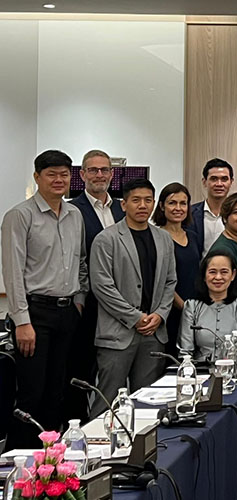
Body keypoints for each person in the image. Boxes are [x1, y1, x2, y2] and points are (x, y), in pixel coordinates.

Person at [1, 150, 88, 449]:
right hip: (34, 315)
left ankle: (50, 461)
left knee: (57, 392)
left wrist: (78, 301)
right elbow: (13, 274)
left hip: (66, 312)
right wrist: (22, 321)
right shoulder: (19, 216)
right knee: (31, 393)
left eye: (64, 174)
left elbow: (79, 261)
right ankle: (16, 461)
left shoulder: (74, 214)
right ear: (37, 177)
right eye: (51, 174)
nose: (59, 179)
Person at [90, 178, 177, 415]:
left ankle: (143, 450)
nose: (143, 205)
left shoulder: (163, 239)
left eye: (148, 200)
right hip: (118, 334)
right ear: (124, 204)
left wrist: (160, 314)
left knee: (148, 402)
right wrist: (135, 317)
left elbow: (170, 281)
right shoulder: (106, 239)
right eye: (136, 200)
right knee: (107, 402)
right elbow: (102, 286)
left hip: (153, 333)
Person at [67, 149, 124, 421]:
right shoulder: (71, 209)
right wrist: (79, 299)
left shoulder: (121, 208)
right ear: (82, 174)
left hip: (121, 305)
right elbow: (73, 257)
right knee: (81, 370)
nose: (99, 175)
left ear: (112, 174)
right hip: (87, 303)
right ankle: (77, 428)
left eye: (104, 170)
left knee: (114, 373)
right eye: (93, 170)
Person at [153, 182, 202, 357]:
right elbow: (162, 280)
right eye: (172, 203)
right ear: (161, 206)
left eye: (183, 203)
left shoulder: (193, 236)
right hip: (170, 311)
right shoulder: (156, 237)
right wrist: (184, 307)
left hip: (194, 310)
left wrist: (196, 309)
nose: (178, 208)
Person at [179, 249, 237, 363]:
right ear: (204, 276)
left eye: (224, 272)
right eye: (212, 272)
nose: (218, 277)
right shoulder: (191, 307)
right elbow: (185, 352)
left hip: (234, 372)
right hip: (200, 372)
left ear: (233, 275)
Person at [186, 158, 237, 256]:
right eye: (214, 179)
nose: (219, 184)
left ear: (231, 182)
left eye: (224, 179)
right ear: (204, 182)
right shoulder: (190, 214)